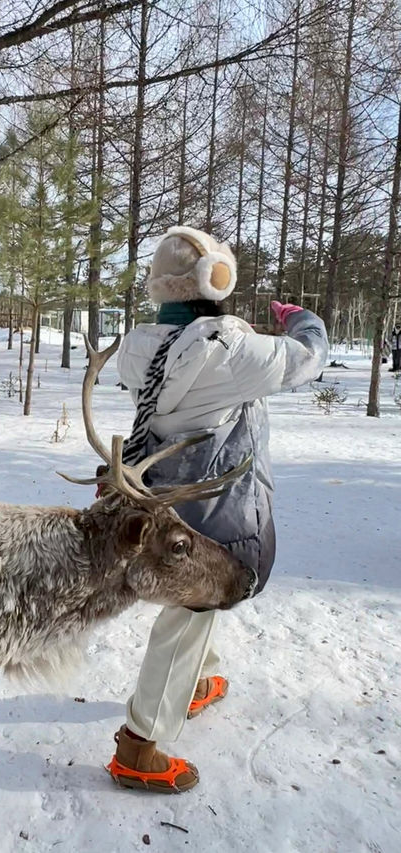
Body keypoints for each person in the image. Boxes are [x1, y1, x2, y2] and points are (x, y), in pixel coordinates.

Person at [106, 225, 328, 792]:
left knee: (197, 606)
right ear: (217, 279)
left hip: (166, 502)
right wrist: (300, 317)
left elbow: (188, 367)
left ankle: (197, 682)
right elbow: (308, 358)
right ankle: (139, 744)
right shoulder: (232, 350)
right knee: (194, 610)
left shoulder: (140, 348)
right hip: (216, 513)